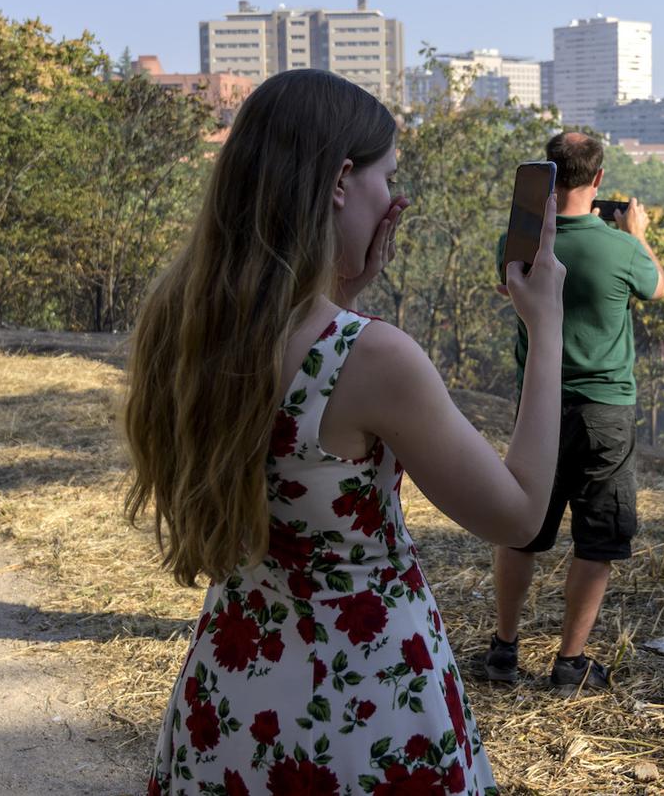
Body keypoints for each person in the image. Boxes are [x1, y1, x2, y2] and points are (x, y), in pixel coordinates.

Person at [122, 69, 566, 795]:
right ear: (340, 179)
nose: (396, 198)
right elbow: (518, 513)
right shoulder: (374, 356)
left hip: (232, 704)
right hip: (362, 709)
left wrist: (345, 287)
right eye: (388, 176)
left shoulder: (181, 323)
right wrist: (545, 325)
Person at [485, 131, 664, 692]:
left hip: (536, 408)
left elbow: (507, 289)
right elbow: (658, 288)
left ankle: (503, 651)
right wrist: (636, 236)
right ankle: (570, 663)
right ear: (598, 180)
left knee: (520, 530)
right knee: (597, 538)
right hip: (604, 411)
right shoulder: (621, 249)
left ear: (546, 173)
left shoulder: (516, 243)